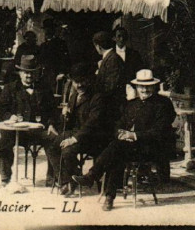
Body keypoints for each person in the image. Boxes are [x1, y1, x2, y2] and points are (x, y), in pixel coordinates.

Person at [73, 69, 176, 211]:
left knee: (117, 149)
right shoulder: (132, 104)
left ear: (154, 86)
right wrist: (120, 133)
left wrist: (133, 136)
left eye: (148, 86)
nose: (144, 89)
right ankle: (108, 196)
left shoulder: (163, 104)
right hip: (127, 147)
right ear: (137, 87)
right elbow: (119, 123)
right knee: (118, 152)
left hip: (150, 148)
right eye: (141, 86)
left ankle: (95, 178)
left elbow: (159, 132)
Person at [0, 56, 58, 187]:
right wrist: (9, 116)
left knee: (53, 139)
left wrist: (51, 124)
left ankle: (52, 177)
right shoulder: (10, 88)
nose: (29, 75)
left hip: (38, 131)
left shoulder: (44, 89)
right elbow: (0, 108)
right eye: (26, 72)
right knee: (3, 142)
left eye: (32, 72)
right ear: (20, 73)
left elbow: (53, 111)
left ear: (36, 73)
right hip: (17, 131)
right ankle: (5, 178)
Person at [47, 62, 109, 196]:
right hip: (77, 133)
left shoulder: (97, 97)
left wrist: (73, 139)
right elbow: (70, 122)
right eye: (76, 82)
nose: (79, 85)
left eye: (82, 81)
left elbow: (92, 123)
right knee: (51, 146)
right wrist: (65, 115)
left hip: (92, 137)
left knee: (67, 151)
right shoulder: (74, 96)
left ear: (89, 80)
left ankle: (76, 180)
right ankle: (67, 180)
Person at [92, 31, 126, 127]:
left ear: (98, 46)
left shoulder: (112, 59)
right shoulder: (110, 58)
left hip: (111, 107)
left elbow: (111, 86)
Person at [37, 17, 70, 89]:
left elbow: (65, 60)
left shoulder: (61, 43)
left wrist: (62, 72)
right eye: (46, 29)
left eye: (49, 28)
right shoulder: (43, 45)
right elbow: (40, 60)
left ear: (53, 30)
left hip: (56, 75)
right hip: (44, 76)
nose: (47, 31)